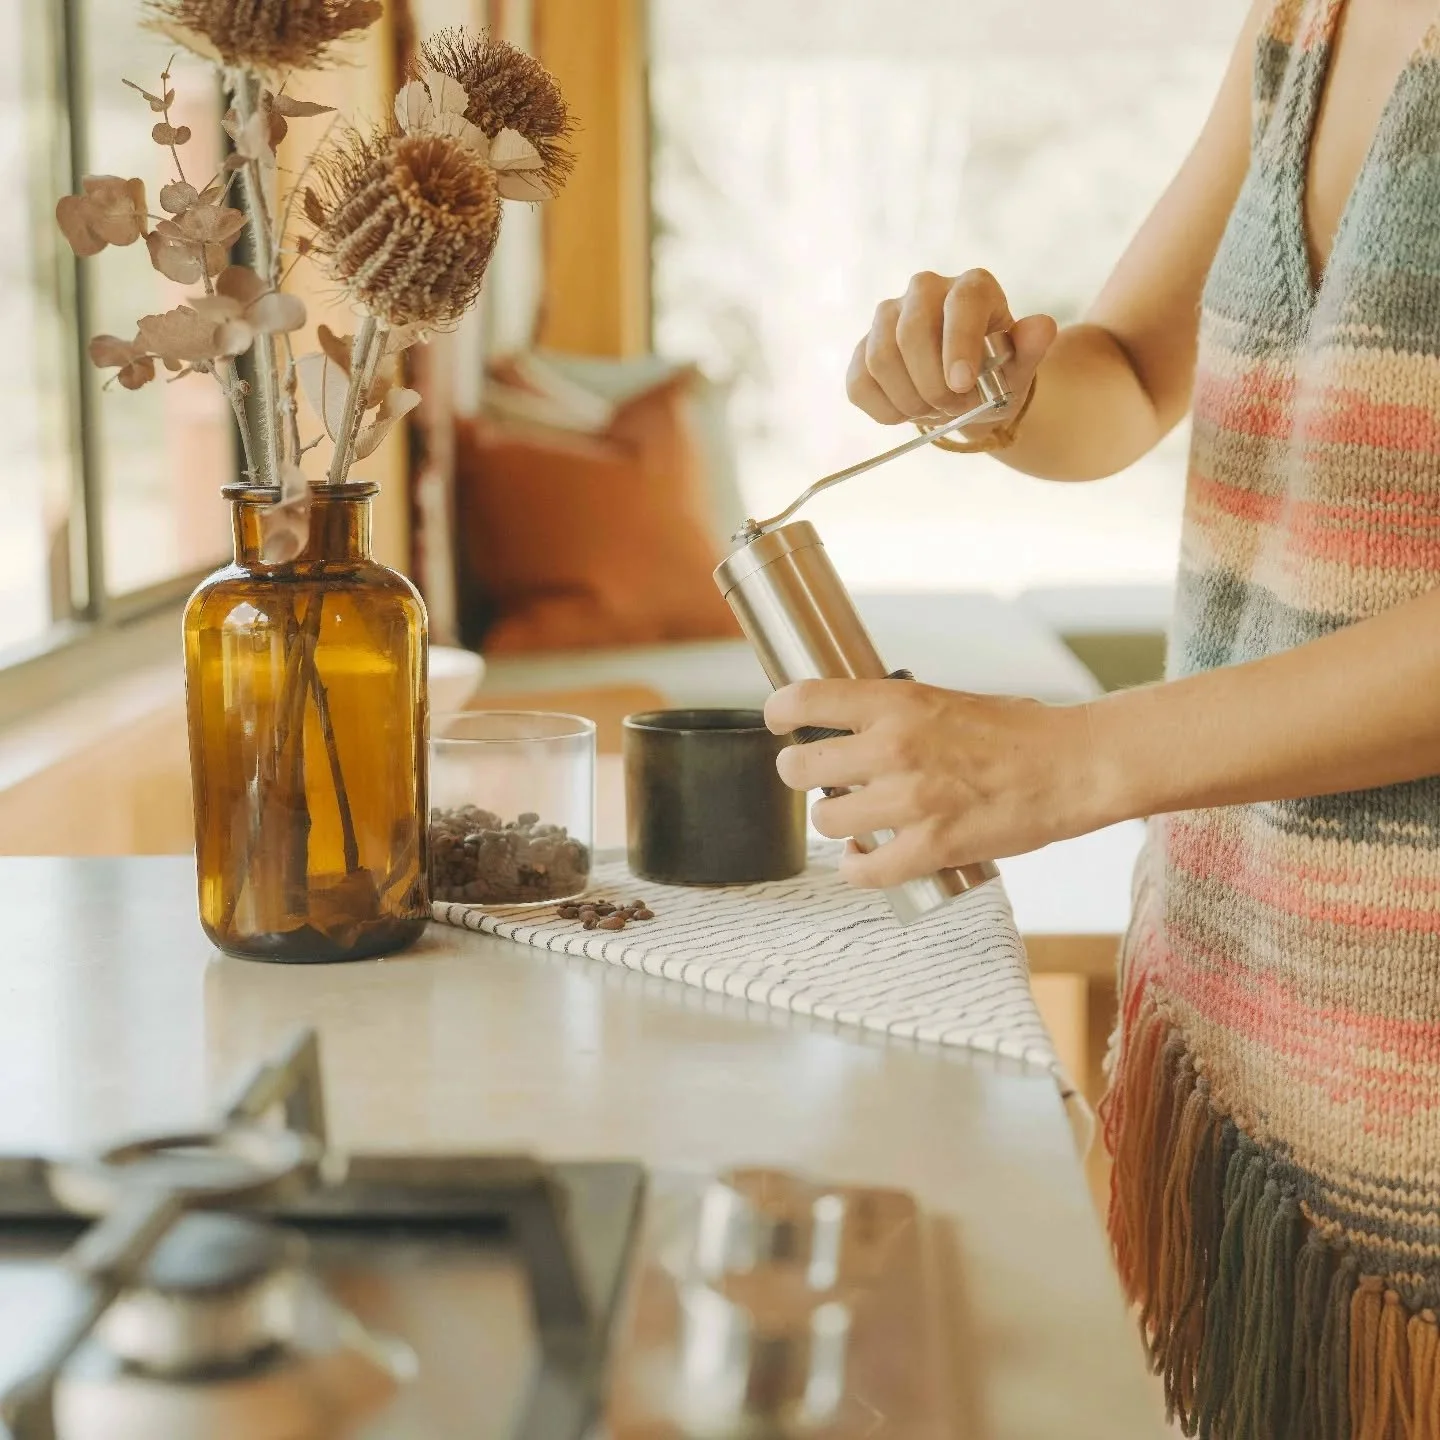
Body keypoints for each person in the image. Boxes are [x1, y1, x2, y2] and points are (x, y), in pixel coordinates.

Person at [764, 0, 1440, 1435]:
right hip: (1243, 995)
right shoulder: (1303, 26)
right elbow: (1128, 374)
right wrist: (994, 387)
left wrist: (1075, 760)